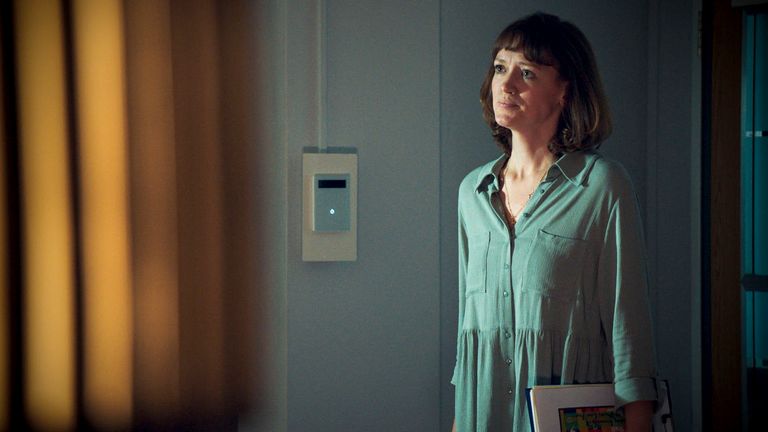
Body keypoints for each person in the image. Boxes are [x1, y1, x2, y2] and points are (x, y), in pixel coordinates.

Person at [451, 12, 657, 432]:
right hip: (483, 413)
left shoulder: (601, 185)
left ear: (565, 90)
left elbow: (628, 320)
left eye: (526, 73)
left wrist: (639, 419)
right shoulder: (472, 192)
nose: (506, 85)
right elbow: (468, 326)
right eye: (500, 68)